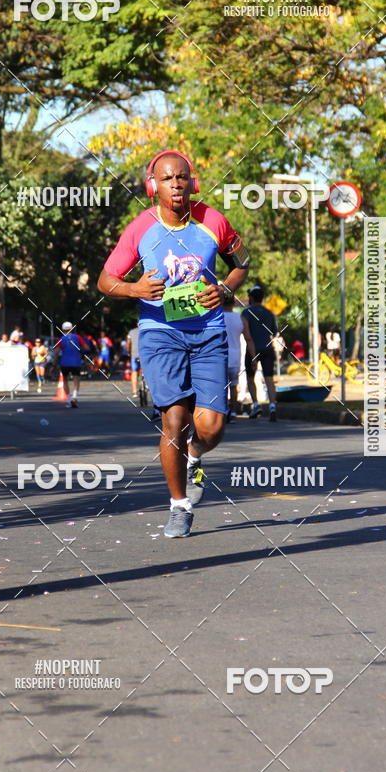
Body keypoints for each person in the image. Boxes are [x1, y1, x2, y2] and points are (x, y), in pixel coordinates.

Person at [97, 148, 250, 538]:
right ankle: (179, 506)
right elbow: (105, 280)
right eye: (167, 178)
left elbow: (243, 263)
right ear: (154, 187)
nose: (176, 184)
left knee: (212, 426)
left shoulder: (214, 221)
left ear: (192, 182)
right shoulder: (140, 229)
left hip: (209, 332)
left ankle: (194, 454)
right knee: (175, 419)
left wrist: (225, 288)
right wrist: (133, 288)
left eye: (182, 177)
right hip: (160, 333)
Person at [241, 286, 279, 422]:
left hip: (253, 349)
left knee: (250, 378)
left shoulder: (246, 313)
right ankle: (272, 406)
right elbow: (274, 332)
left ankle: (256, 405)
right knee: (269, 378)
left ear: (251, 297)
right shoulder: (269, 313)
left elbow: (246, 334)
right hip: (268, 349)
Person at [223, 297, 256, 422]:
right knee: (233, 386)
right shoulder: (241, 319)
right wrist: (253, 358)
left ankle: (223, 411)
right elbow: (249, 339)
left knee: (221, 386)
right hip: (235, 357)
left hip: (220, 357)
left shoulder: (217, 317)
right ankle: (232, 412)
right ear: (233, 303)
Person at [53, 321, 87, 408]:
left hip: (64, 362)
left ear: (62, 329)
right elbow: (86, 347)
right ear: (72, 329)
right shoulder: (77, 337)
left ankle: (68, 400)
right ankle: (74, 397)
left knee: (65, 380)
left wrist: (54, 362)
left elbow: (56, 352)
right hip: (76, 362)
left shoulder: (61, 339)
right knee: (76, 379)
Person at [127, 323, 141, 398]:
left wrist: (129, 352)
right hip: (145, 355)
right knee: (147, 370)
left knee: (134, 372)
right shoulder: (146, 330)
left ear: (137, 324)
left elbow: (128, 343)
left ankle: (134, 392)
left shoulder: (131, 332)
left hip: (134, 355)